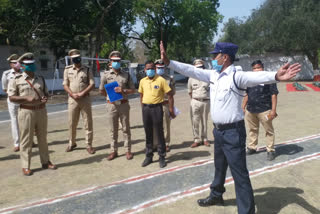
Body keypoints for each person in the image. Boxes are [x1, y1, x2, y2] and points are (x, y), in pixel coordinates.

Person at [160, 41, 301, 214]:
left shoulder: (237, 76)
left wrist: (276, 76)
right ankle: (216, 194)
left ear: (224, 57)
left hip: (233, 132)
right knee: (219, 166)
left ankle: (246, 211)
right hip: (218, 131)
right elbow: (192, 70)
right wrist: (169, 62)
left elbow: (256, 77)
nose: (213, 59)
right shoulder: (213, 75)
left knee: (239, 174)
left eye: (215, 56)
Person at [7, 52, 57, 176]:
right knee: (26, 140)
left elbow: (46, 93)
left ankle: (46, 162)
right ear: (23, 66)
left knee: (42, 138)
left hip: (41, 110)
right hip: (26, 111)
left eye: (32, 64)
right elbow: (11, 97)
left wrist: (45, 98)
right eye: (28, 64)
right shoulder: (16, 80)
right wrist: (26, 99)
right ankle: (25, 166)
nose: (31, 66)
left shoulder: (40, 78)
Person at [138, 60, 175, 168]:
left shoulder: (161, 80)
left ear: (155, 69)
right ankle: (149, 156)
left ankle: (162, 156)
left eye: (151, 68)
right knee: (148, 132)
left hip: (157, 108)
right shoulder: (142, 81)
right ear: (145, 70)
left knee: (159, 133)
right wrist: (143, 108)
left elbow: (170, 95)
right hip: (146, 109)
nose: (149, 70)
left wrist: (171, 109)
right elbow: (141, 95)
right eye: (147, 69)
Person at [99, 51, 136, 160]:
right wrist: (109, 96)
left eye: (118, 61)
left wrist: (123, 90)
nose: (116, 63)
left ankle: (128, 150)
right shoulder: (106, 75)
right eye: (114, 61)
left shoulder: (126, 74)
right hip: (112, 105)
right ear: (110, 62)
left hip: (124, 105)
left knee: (126, 128)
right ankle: (113, 151)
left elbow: (133, 90)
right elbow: (101, 90)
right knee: (113, 129)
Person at [242, 60, 278, 161]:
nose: (257, 70)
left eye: (258, 67)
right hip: (251, 109)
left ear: (262, 67)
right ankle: (252, 147)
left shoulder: (269, 79)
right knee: (252, 129)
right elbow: (247, 94)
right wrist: (243, 106)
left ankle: (270, 150)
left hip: (264, 110)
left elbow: (274, 95)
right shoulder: (250, 80)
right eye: (254, 68)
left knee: (269, 131)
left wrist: (273, 110)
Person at [63, 49, 96, 154]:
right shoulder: (67, 70)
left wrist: (82, 93)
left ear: (80, 57)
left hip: (85, 99)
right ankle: (72, 143)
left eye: (78, 57)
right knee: (72, 123)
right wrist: (72, 94)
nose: (76, 59)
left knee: (88, 122)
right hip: (73, 100)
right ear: (71, 59)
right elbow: (65, 84)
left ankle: (89, 145)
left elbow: (92, 84)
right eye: (74, 58)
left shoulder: (87, 69)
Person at [153, 59, 176, 152]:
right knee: (154, 125)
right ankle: (155, 144)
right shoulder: (151, 78)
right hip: (154, 105)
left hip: (165, 104)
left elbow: (172, 93)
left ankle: (166, 143)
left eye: (162, 67)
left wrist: (171, 108)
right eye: (158, 67)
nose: (160, 69)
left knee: (166, 125)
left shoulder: (169, 79)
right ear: (155, 68)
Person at [188, 59, 211, 148]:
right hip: (195, 101)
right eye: (197, 67)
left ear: (203, 67)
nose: (199, 69)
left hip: (205, 101)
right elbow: (190, 91)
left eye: (201, 67)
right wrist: (195, 100)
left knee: (204, 121)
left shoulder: (208, 77)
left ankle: (205, 139)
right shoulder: (191, 78)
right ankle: (196, 139)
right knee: (195, 121)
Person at [1, 54, 21, 152]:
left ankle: (29, 140)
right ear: (10, 64)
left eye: (18, 62)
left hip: (24, 100)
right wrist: (14, 96)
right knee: (15, 121)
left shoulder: (25, 72)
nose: (17, 64)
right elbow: (5, 88)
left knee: (26, 120)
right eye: (14, 63)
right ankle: (17, 143)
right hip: (13, 102)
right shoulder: (6, 74)